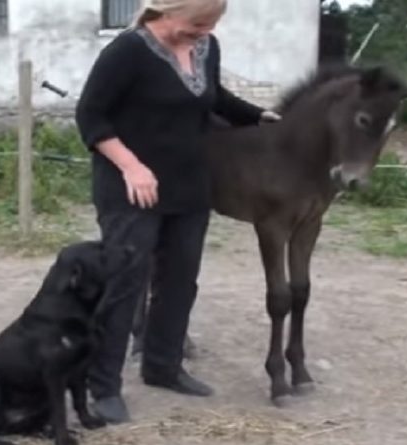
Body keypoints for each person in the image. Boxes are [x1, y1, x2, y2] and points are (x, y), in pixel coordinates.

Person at [74, 0, 280, 424]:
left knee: (180, 281)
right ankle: (104, 386)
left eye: (211, 25)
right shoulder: (127, 51)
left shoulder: (207, 47)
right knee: (124, 284)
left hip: (189, 187)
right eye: (197, 23)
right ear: (165, 11)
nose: (203, 32)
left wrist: (259, 116)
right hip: (132, 189)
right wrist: (132, 167)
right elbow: (90, 116)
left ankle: (163, 367)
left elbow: (213, 98)